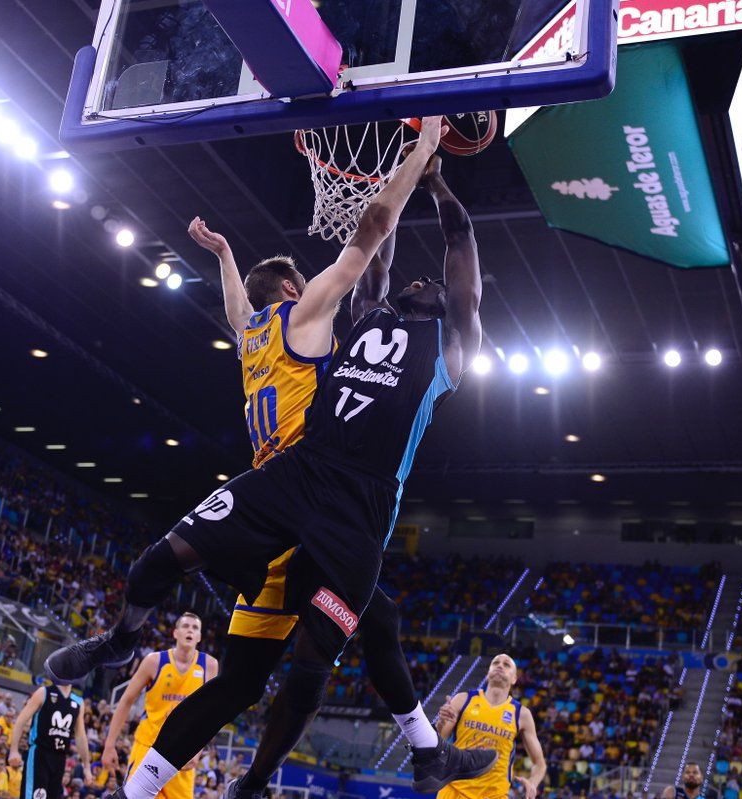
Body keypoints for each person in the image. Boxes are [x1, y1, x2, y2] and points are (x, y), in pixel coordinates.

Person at [49, 116, 487, 799]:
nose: (425, 279)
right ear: (291, 290)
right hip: (294, 477)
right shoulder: (355, 315)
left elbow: (455, 250)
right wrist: (410, 162)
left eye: (433, 284)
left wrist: (433, 178)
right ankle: (123, 658)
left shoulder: (450, 346)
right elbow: (375, 246)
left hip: (358, 505)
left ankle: (276, 779)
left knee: (329, 654)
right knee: (191, 594)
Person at [101, 613, 216, 799]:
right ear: (175, 633)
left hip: (182, 754)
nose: (190, 630)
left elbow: (209, 716)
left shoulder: (209, 665)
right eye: (185, 626)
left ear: (199, 637)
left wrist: (198, 751)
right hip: (148, 747)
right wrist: (109, 745)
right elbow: (126, 700)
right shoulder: (154, 661)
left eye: (195, 628)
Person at [435, 654, 546, 799]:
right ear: (488, 674)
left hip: (494, 795)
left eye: (506, 665)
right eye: (495, 663)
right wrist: (441, 722)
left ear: (514, 679)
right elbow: (438, 741)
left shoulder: (522, 714)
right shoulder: (463, 699)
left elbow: (540, 763)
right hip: (454, 791)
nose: (500, 666)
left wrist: (533, 782)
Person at [7, 682, 89, 799]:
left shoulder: (78, 701)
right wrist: (14, 750)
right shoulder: (43, 692)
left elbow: (81, 736)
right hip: (39, 754)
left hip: (60, 758)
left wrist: (87, 766)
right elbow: (20, 721)